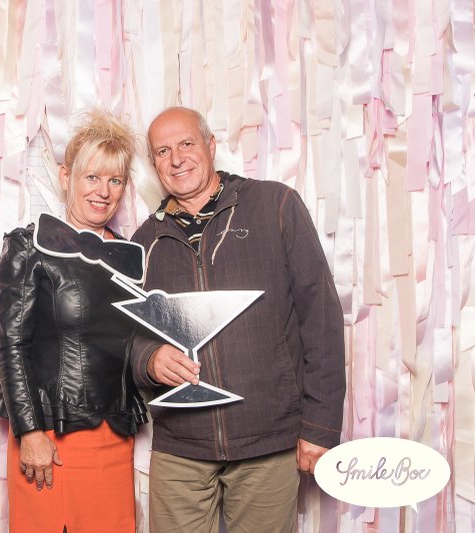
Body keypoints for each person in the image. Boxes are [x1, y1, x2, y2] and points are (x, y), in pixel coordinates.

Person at [130, 106, 345, 532]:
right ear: (153, 163)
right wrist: (148, 360)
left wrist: (320, 427)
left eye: (187, 143)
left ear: (211, 146)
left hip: (267, 441)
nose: (177, 159)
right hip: (179, 448)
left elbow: (320, 316)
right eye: (163, 151)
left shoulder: (275, 206)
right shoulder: (144, 241)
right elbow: (124, 337)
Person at [0, 110, 147, 532]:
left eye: (115, 180)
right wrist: (29, 433)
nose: (103, 191)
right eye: (92, 177)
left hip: (114, 437)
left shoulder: (130, 258)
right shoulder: (30, 246)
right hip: (50, 437)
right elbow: (10, 346)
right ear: (66, 177)